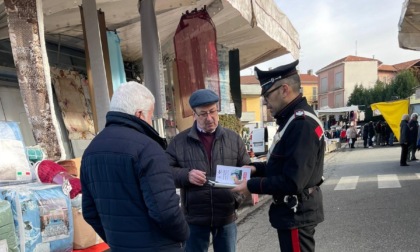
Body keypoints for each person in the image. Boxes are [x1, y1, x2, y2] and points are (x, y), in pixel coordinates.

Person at [80, 81, 189, 251]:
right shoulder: (148, 148)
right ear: (139, 114)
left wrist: (115, 240)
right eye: (151, 116)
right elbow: (165, 211)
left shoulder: (90, 151)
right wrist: (184, 234)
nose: (151, 122)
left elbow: (89, 211)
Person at [232, 60, 325, 252]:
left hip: (296, 214)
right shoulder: (292, 119)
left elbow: (292, 181)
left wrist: (251, 185)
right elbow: (283, 165)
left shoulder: (301, 124)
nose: (265, 103)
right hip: (293, 214)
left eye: (267, 95)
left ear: (284, 90)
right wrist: (256, 168)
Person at [166, 89, 251, 252]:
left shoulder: (234, 139)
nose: (209, 118)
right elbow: (164, 171)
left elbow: (246, 170)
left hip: (226, 215)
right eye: (203, 114)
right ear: (194, 115)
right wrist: (186, 175)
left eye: (212, 111)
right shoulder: (179, 141)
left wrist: (236, 199)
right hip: (195, 218)